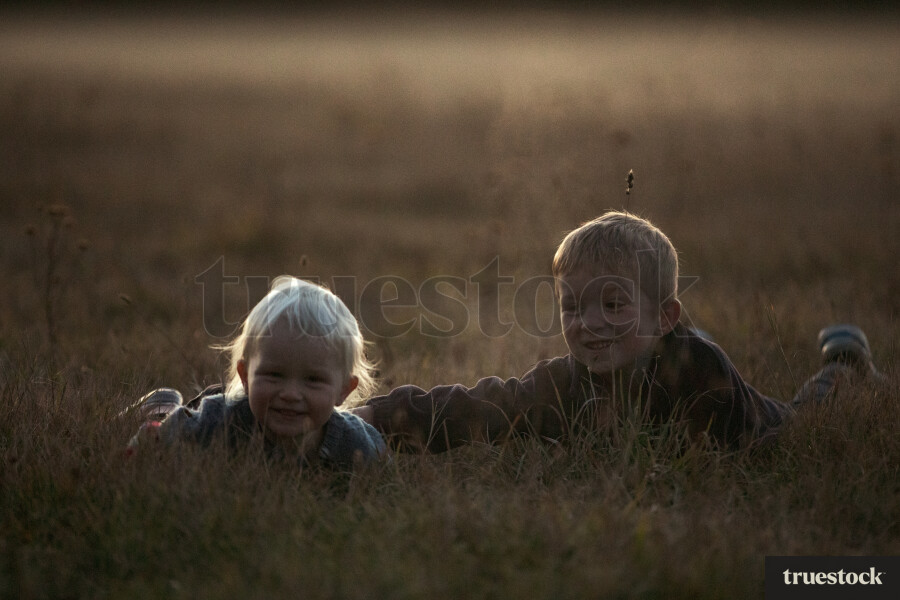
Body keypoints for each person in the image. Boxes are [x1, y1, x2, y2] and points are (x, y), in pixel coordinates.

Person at [355, 211, 884, 452]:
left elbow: (759, 451)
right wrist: (377, 415)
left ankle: (841, 366)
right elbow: (484, 406)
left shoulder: (698, 370)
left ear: (665, 318)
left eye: (613, 304)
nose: (588, 324)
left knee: (807, 410)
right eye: (572, 307)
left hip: (769, 423)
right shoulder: (566, 382)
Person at [127, 276, 386, 471]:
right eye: (274, 375)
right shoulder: (218, 421)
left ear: (344, 390)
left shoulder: (355, 443)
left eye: (312, 380)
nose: (290, 394)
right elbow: (161, 440)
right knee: (173, 416)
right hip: (212, 407)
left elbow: (385, 470)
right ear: (245, 376)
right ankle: (161, 406)